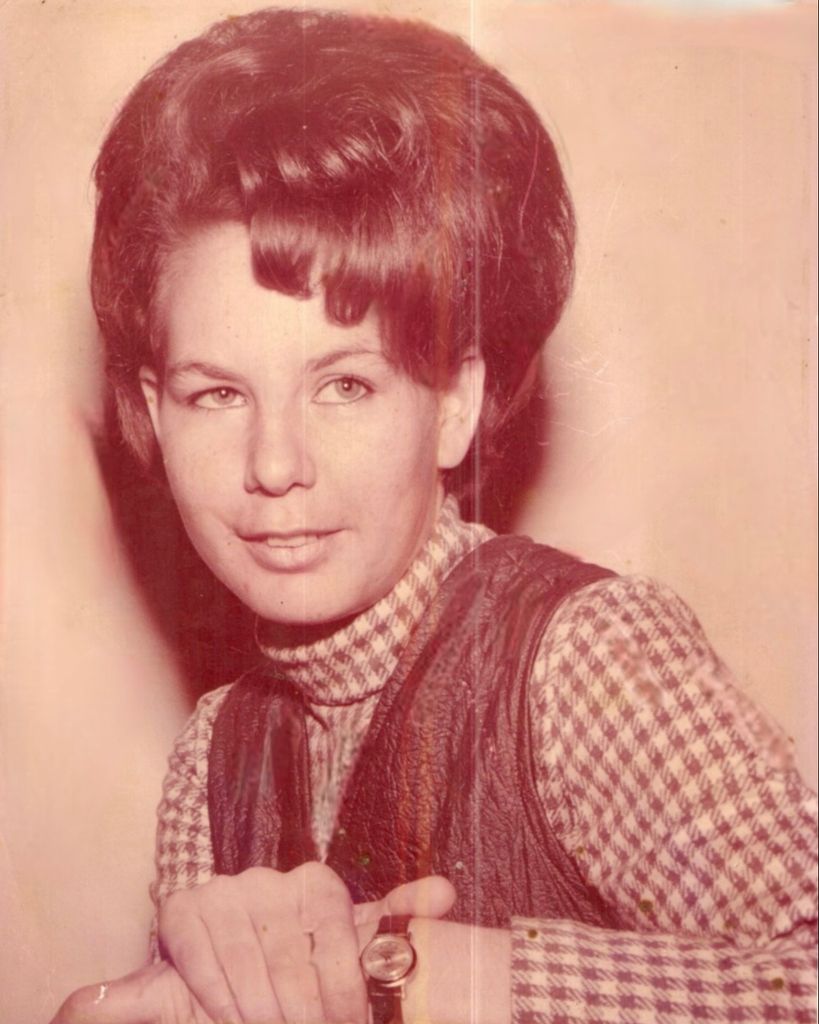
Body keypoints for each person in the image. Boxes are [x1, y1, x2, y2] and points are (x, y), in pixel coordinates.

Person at [52, 7, 817, 1024]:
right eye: (217, 394)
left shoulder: (583, 662)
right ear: (155, 411)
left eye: (345, 385)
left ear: (453, 401)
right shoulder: (213, 755)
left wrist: (444, 978)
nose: (274, 465)